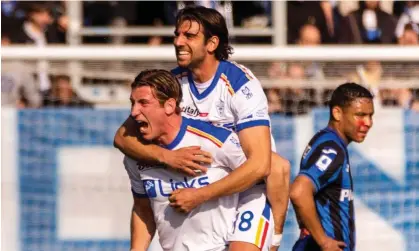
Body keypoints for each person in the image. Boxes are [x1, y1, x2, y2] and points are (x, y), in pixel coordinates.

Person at [114, 6, 290, 251]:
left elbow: (261, 165)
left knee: (277, 167)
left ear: (212, 43)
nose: (178, 42)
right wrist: (168, 157)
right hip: (203, 184)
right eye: (177, 35)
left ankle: (274, 239)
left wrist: (200, 195)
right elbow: (122, 138)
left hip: (247, 188)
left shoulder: (240, 85)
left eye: (189, 36)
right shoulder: (172, 84)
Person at [124, 69, 264, 251]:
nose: (134, 112)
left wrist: (201, 195)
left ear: (169, 105)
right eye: (132, 103)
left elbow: (263, 174)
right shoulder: (136, 156)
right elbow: (143, 209)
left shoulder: (216, 140)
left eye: (143, 103)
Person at [290, 83, 375, 251]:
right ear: (337, 113)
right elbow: (298, 191)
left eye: (370, 116)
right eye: (360, 115)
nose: (368, 123)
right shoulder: (332, 149)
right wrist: (323, 241)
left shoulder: (327, 142)